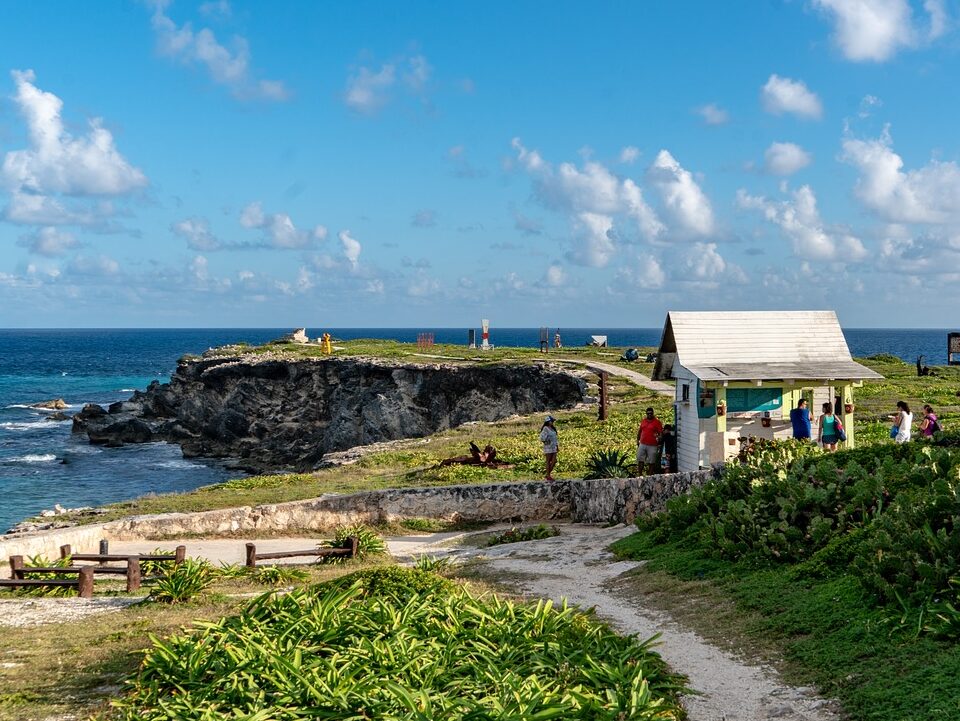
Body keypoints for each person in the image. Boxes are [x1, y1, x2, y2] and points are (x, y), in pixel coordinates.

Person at [637, 407, 663, 475]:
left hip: (652, 445)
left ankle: (649, 476)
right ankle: (640, 475)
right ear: (646, 414)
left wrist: (659, 438)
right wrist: (637, 440)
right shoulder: (643, 421)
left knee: (651, 462)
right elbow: (640, 431)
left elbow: (660, 433)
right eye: (648, 413)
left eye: (651, 413)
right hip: (643, 443)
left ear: (653, 413)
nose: (649, 415)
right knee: (640, 459)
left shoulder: (657, 422)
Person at [539, 415, 559, 481]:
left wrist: (557, 446)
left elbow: (555, 438)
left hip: (554, 447)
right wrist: (547, 441)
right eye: (551, 421)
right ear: (548, 421)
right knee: (548, 461)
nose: (552, 422)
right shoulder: (545, 428)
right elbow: (542, 438)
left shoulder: (553, 428)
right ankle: (548, 475)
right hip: (548, 447)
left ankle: (547, 475)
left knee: (554, 461)